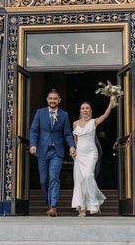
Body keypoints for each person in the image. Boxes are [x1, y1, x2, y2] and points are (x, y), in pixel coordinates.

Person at [29, 89, 76, 217]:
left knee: (54, 178)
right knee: (43, 180)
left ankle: (53, 206)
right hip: (42, 151)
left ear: (59, 100)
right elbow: (34, 130)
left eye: (55, 99)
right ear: (47, 100)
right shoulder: (40, 113)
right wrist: (33, 144)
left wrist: (72, 146)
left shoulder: (64, 115)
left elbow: (67, 133)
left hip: (57, 151)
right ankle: (48, 201)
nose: (52, 101)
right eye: (50, 98)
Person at [71, 97, 115, 217]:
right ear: (80, 111)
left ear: (91, 111)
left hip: (91, 153)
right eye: (83, 108)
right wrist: (73, 149)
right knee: (80, 180)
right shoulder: (75, 123)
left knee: (88, 176)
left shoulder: (94, 122)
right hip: (79, 155)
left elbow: (105, 116)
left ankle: (94, 204)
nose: (85, 110)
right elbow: (75, 140)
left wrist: (111, 102)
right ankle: (82, 209)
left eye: (87, 108)